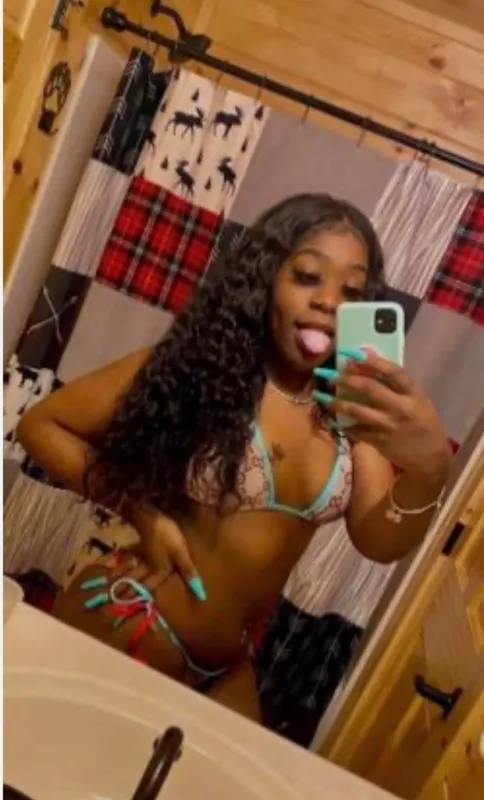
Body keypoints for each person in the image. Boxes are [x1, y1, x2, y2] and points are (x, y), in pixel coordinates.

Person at [17, 193, 451, 719]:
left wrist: (430, 469)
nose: (328, 301)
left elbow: (380, 540)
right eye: (307, 277)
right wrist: (142, 516)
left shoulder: (349, 409)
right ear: (266, 279)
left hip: (226, 666)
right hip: (135, 620)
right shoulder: (203, 370)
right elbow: (41, 426)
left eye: (352, 291)